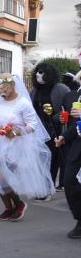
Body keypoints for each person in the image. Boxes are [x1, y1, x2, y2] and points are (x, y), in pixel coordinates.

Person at [0, 73, 55, 222]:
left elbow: (33, 125)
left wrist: (15, 132)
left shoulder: (23, 103)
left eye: (4, 87)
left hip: (14, 144)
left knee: (3, 178)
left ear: (13, 85)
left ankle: (19, 204)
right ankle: (8, 208)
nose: (1, 90)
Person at [30, 62, 70, 197]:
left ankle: (47, 188)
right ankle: (40, 186)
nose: (37, 74)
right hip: (38, 130)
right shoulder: (35, 90)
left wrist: (57, 118)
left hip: (55, 130)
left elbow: (68, 108)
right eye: (37, 72)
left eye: (41, 72)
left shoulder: (61, 89)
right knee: (39, 159)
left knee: (52, 160)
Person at [55, 70, 81, 238]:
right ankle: (80, 219)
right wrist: (64, 136)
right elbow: (73, 122)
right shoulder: (73, 95)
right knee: (69, 181)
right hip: (78, 144)